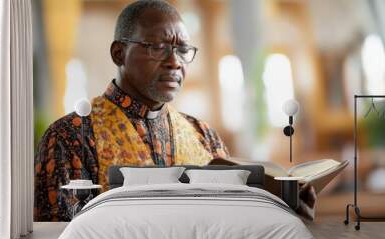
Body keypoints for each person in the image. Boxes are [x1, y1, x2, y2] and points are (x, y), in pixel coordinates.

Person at [34, 0, 316, 222]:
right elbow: (60, 236)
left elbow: (233, 215)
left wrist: (284, 203)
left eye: (182, 50)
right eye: (157, 47)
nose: (174, 62)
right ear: (118, 53)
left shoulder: (203, 135)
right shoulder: (71, 136)